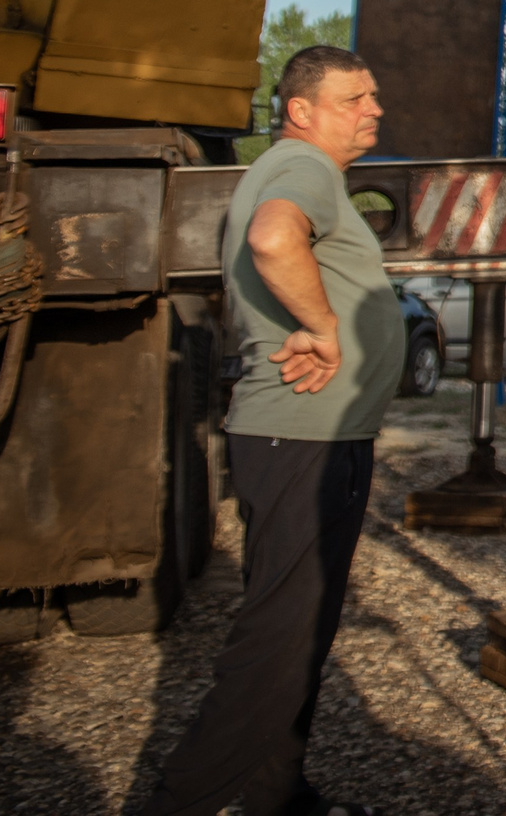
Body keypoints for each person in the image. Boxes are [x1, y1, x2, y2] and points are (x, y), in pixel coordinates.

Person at [144, 47, 402, 816]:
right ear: (301, 111)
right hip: (305, 438)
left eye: (374, 96)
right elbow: (272, 237)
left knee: (301, 633)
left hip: (310, 438)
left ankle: (277, 796)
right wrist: (323, 326)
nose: (374, 110)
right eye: (355, 97)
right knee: (276, 647)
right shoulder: (303, 171)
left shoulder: (300, 169)